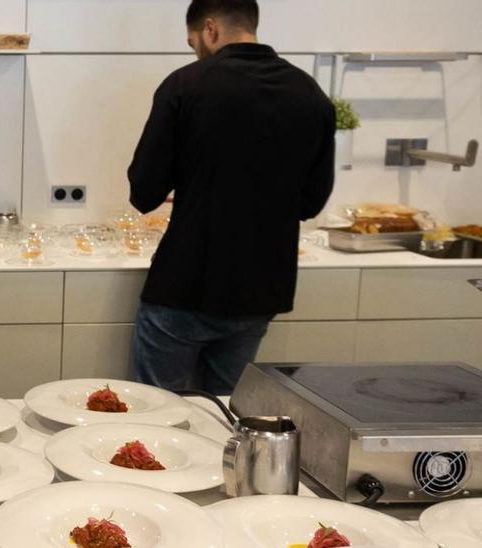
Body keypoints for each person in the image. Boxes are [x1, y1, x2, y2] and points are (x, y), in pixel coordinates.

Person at [126, 0, 335, 394]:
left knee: (155, 414)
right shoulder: (310, 93)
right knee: (226, 416)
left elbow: (144, 192)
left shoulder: (186, 85)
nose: (195, 51)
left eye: (193, 43)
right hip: (260, 290)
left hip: (185, 285)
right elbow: (311, 202)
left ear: (210, 29)